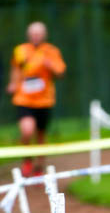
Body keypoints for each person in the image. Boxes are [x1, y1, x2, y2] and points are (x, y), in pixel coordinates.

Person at [7, 22, 66, 176]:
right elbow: (15, 68)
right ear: (28, 35)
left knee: (40, 136)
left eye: (38, 34)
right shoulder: (20, 50)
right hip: (24, 99)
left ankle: (39, 167)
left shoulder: (51, 51)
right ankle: (27, 159)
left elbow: (61, 73)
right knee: (27, 130)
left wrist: (50, 65)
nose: (36, 37)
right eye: (33, 34)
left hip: (44, 100)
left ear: (44, 35)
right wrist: (13, 83)